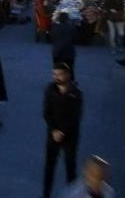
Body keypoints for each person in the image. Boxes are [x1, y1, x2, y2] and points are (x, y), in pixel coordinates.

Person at [43, 62, 82, 198]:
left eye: (60, 74)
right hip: (53, 135)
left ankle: (72, 195)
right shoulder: (49, 90)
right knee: (49, 166)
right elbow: (46, 113)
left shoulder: (76, 94)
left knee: (70, 166)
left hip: (70, 136)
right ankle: (46, 194)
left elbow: (75, 117)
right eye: (54, 74)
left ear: (68, 75)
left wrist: (62, 132)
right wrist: (54, 130)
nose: (56, 77)